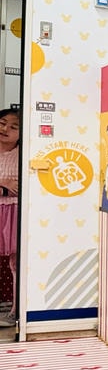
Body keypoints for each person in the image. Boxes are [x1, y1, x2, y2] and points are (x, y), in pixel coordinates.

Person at [0, 106, 19, 327]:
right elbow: (12, 187)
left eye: (13, 127)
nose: (6, 129)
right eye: (3, 123)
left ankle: (15, 308)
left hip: (13, 212)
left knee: (16, 261)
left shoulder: (21, 155)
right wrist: (5, 186)